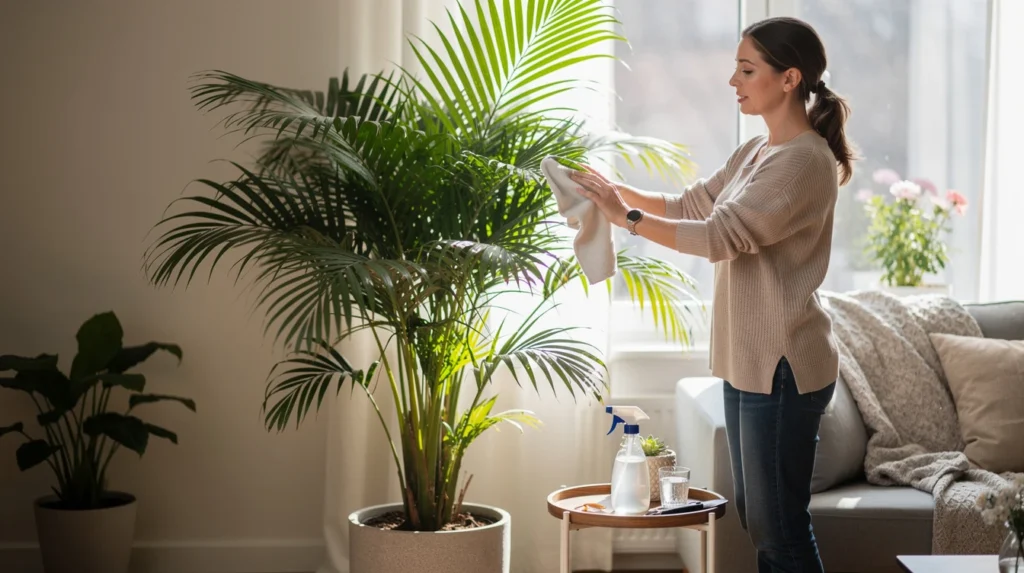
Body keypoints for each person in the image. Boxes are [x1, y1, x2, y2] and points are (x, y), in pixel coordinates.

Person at [570, 16, 855, 573]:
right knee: (759, 518)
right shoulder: (757, 150)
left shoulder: (804, 161)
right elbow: (690, 205)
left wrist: (625, 218)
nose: (733, 81)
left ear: (790, 78)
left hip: (784, 365)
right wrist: (608, 190)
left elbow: (720, 236)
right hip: (750, 360)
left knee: (780, 528)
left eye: (746, 70)